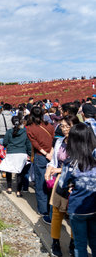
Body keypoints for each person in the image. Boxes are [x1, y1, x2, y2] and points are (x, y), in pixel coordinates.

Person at [57, 123, 96, 257]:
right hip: (94, 207)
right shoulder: (94, 162)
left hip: (77, 209)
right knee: (94, 242)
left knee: (80, 245)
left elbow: (61, 184)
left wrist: (71, 185)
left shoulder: (70, 163)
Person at [45, 115, 80, 256]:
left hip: (75, 181)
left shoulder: (79, 143)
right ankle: (55, 242)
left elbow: (78, 164)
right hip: (60, 181)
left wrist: (57, 169)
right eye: (63, 126)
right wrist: (49, 169)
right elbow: (53, 161)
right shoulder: (59, 142)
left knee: (73, 214)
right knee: (57, 213)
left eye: (68, 126)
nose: (65, 129)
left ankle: (73, 243)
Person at [26, 106, 55, 224]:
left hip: (41, 156)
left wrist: (45, 153)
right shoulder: (50, 125)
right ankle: (52, 208)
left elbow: (35, 144)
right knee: (51, 182)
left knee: (40, 183)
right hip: (52, 157)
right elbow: (53, 140)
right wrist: (51, 153)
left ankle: (43, 211)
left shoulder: (30, 128)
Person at [1, 115, 32, 196]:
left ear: (12, 122)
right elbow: (28, 144)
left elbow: (5, 143)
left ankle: (9, 188)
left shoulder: (9, 132)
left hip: (11, 153)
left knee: (9, 170)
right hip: (21, 153)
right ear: (20, 122)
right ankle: (18, 191)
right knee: (20, 173)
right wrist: (29, 154)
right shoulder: (24, 132)